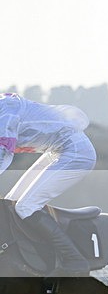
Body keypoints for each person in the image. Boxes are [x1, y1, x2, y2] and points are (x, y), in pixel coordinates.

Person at [0, 92, 96, 275]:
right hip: (57, 151)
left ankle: (74, 259)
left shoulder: (5, 111)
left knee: (25, 207)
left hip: (76, 153)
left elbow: (2, 154)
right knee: (12, 202)